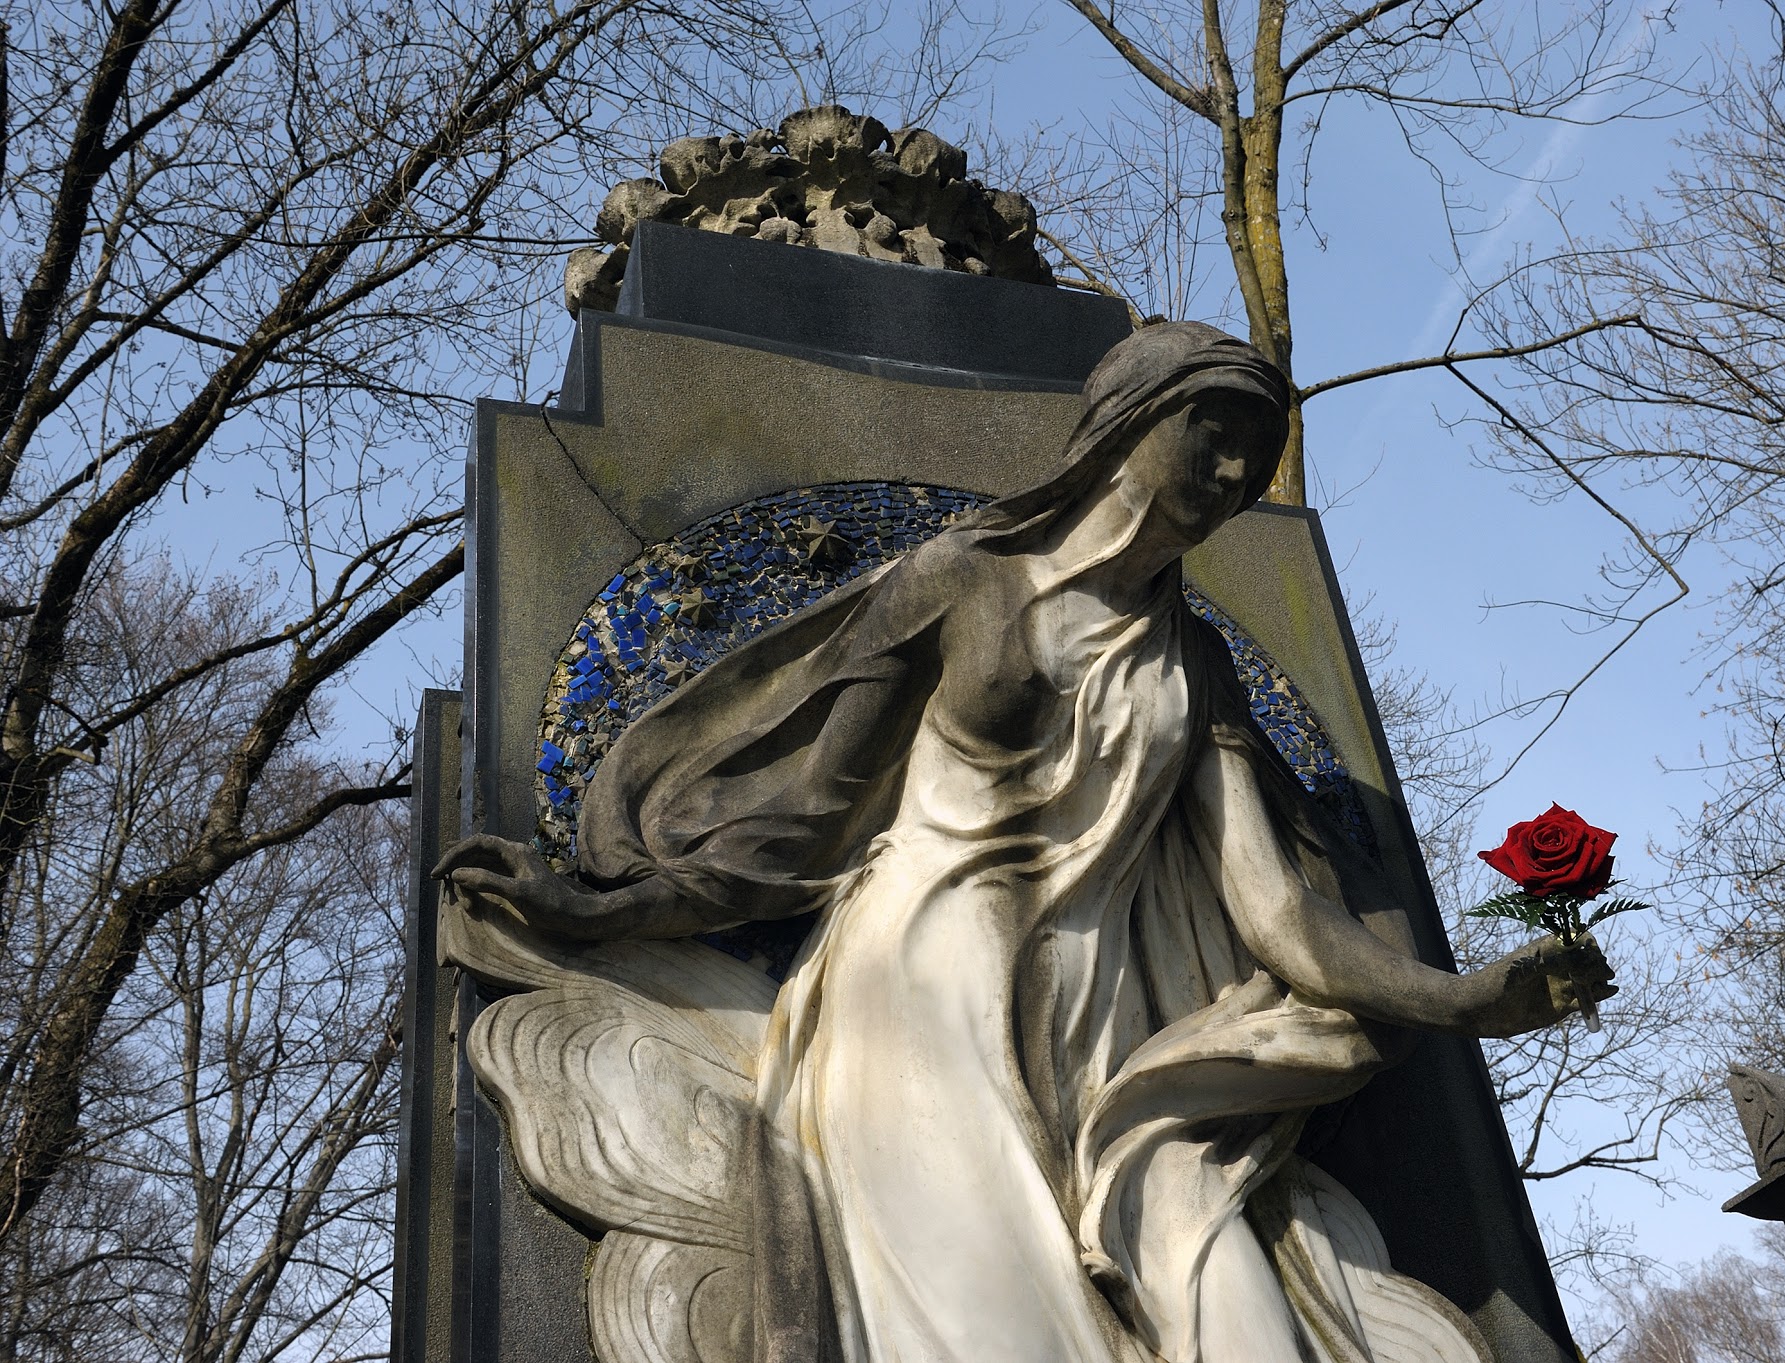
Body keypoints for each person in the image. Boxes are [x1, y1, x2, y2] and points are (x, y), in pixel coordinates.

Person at [437, 321, 1613, 1363]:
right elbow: (805, 816)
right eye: (1210, 431)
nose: (1230, 471)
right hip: (918, 994)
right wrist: (606, 906)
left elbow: (1273, 910)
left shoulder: (1194, 666)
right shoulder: (959, 580)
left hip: (1110, 1023)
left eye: (1253, 455)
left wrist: (1454, 1000)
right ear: (1124, 423)